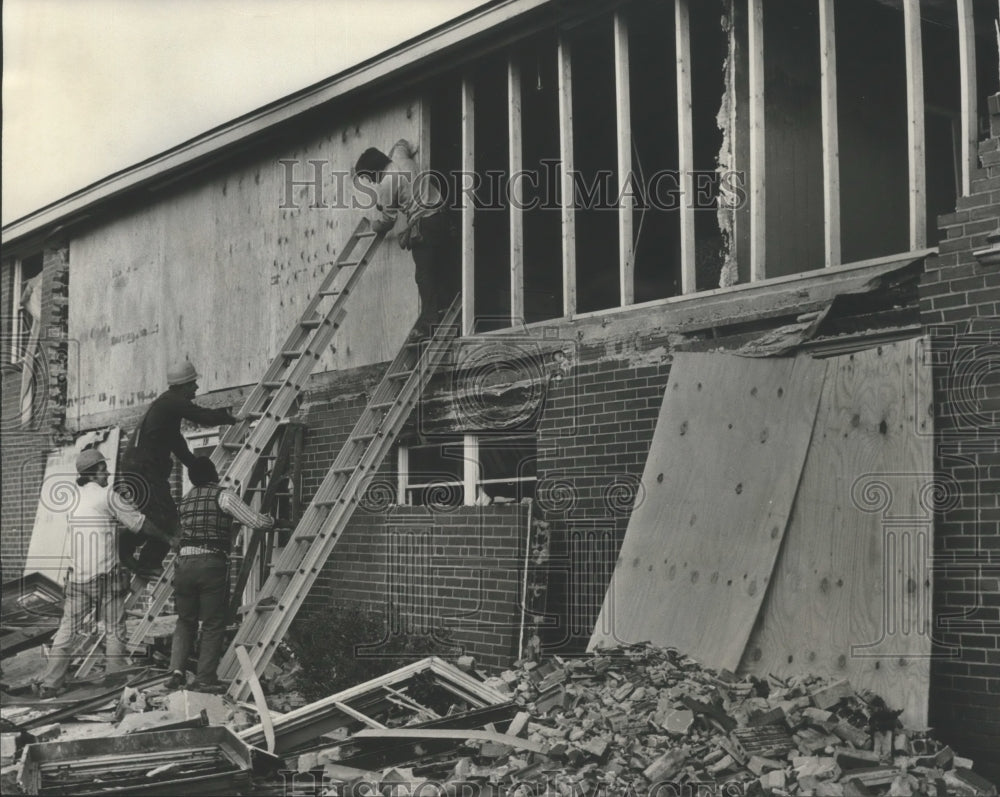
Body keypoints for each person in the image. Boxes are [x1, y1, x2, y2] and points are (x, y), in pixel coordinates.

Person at [33, 449, 169, 697]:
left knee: (67, 630)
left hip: (77, 578)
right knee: (114, 629)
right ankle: (115, 679)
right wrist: (169, 537)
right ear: (94, 472)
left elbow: (97, 529)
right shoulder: (108, 496)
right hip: (105, 577)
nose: (107, 473)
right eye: (103, 469)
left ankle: (51, 683)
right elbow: (140, 524)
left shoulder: (74, 498)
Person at [117, 360, 240, 577]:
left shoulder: (166, 408)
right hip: (143, 469)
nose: (196, 388)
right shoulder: (172, 402)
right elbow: (202, 416)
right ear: (183, 386)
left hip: (138, 467)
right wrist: (230, 417)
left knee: (158, 515)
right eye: (193, 384)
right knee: (167, 518)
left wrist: (196, 466)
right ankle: (145, 559)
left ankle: (131, 547)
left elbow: (176, 443)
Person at [166, 456, 276, 691]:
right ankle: (205, 678)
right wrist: (271, 521)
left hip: (183, 564)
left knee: (185, 621)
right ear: (213, 473)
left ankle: (175, 671)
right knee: (212, 623)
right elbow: (255, 521)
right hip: (210, 563)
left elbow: (177, 535)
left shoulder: (184, 502)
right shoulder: (224, 495)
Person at [354, 140, 459, 337]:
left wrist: (373, 225)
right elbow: (402, 143)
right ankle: (447, 307)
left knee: (424, 275)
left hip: (424, 225)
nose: (370, 182)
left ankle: (430, 322)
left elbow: (388, 221)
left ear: (374, 170)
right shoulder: (400, 157)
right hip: (443, 218)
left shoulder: (386, 184)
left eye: (368, 177)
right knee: (443, 266)